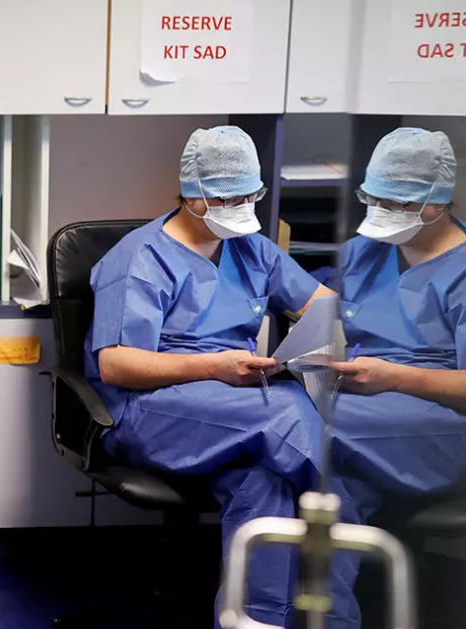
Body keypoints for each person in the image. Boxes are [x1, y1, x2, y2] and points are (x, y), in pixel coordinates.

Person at [86, 125, 336, 628]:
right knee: (284, 411)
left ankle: (255, 621)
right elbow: (115, 364)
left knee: (264, 481)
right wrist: (214, 366)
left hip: (231, 407)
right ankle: (347, 521)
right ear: (190, 194)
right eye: (225, 197)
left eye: (249, 195)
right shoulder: (140, 259)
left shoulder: (252, 248)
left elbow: (322, 305)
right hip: (149, 408)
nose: (239, 207)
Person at [323, 128, 466, 624]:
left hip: (458, 430)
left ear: (438, 203)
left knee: (309, 437)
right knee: (321, 489)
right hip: (367, 411)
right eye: (375, 199)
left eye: (399, 203)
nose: (384, 213)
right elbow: (320, 305)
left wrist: (396, 378)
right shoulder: (364, 251)